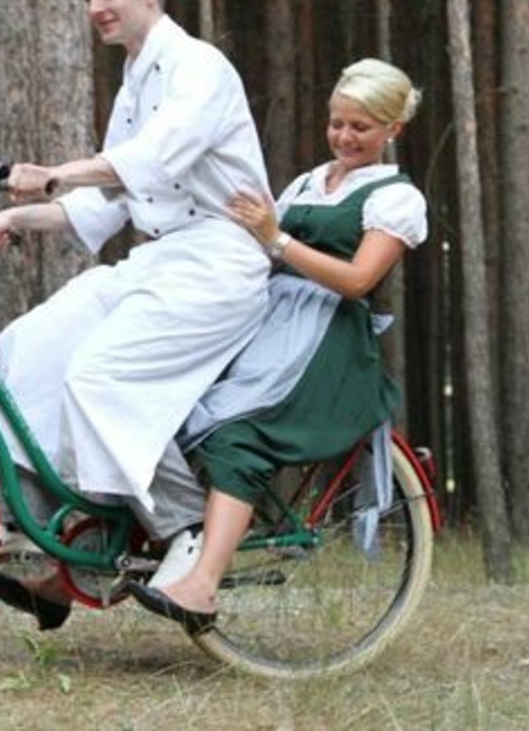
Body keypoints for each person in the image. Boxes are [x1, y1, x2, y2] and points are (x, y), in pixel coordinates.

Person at [0, 0, 272, 630]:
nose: (96, 8)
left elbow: (152, 160)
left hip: (220, 265)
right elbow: (100, 210)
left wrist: (53, 173)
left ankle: (186, 530)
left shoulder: (200, 69)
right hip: (161, 260)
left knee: (99, 376)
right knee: (30, 343)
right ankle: (70, 540)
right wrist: (8, 220)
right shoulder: (136, 80)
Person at [126, 58, 428, 634]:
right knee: (160, 405)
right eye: (337, 123)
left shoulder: (396, 198)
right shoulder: (309, 181)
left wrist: (276, 238)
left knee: (239, 436)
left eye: (360, 127)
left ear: (393, 129)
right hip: (264, 319)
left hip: (323, 338)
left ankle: (202, 585)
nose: (344, 137)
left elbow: (358, 279)